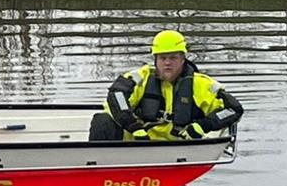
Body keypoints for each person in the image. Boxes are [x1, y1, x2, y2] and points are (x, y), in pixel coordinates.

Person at [89, 29, 243, 141]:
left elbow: (233, 109)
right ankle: (97, 169)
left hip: (177, 147)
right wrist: (133, 126)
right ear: (155, 60)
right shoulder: (140, 78)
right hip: (138, 142)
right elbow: (116, 96)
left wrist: (203, 126)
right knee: (102, 120)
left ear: (183, 59)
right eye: (163, 58)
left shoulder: (201, 84)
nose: (167, 63)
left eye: (173, 58)